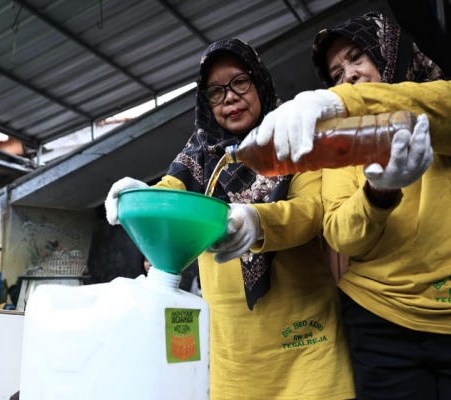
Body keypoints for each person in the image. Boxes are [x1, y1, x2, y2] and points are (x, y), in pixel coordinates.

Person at [254, 12, 451, 399]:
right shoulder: (344, 150)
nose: (349, 75)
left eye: (357, 57)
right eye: (336, 74)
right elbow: (342, 235)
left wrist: (337, 101)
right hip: (382, 320)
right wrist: (379, 192)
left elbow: (431, 109)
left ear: (391, 51)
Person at [105, 39, 354, 399]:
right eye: (216, 92)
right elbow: (171, 194)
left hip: (306, 340)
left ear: (260, 81)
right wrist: (140, 195)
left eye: (240, 82)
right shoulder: (198, 157)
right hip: (234, 352)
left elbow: (311, 210)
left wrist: (257, 220)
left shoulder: (296, 139)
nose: (230, 98)